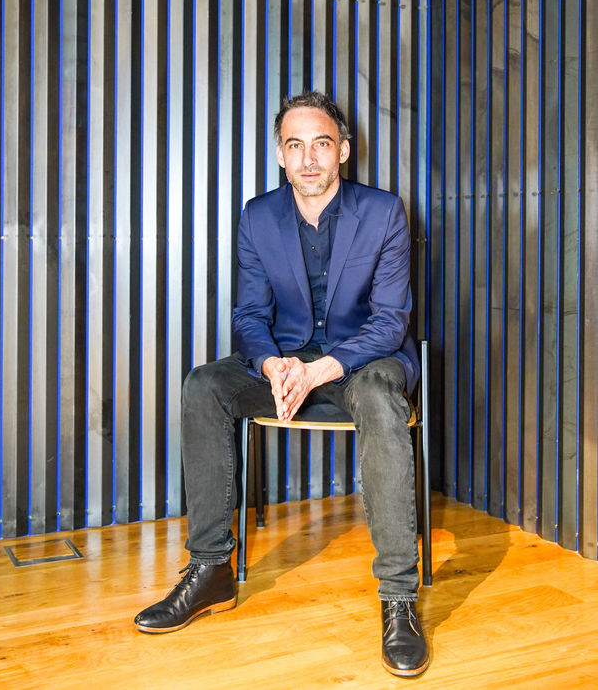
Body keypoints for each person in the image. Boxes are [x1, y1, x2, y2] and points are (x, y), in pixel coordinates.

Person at [134, 91, 429, 678]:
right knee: (204, 385)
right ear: (280, 155)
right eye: (295, 146)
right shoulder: (258, 216)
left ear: (343, 150)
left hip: (364, 361)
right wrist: (272, 364)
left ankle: (399, 597)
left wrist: (323, 367)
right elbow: (250, 315)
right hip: (287, 363)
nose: (308, 158)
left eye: (321, 144)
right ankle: (210, 570)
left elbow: (390, 321)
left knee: (377, 395)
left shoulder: (383, 212)